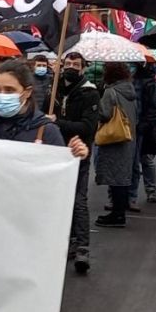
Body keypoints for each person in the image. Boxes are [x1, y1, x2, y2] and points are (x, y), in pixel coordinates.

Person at [0, 59, 91, 161]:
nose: (2, 95)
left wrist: (74, 156)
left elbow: (58, 173)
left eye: (9, 90)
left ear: (27, 92)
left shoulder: (46, 131)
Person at [51, 52, 100, 274]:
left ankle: (82, 246)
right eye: (68, 63)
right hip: (55, 152)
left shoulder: (89, 93)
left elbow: (88, 127)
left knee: (78, 199)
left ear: (82, 68)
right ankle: (66, 240)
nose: (71, 66)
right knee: (59, 200)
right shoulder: (55, 90)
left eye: (75, 64)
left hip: (78, 151)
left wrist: (58, 123)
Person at [94, 63, 139, 228]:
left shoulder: (110, 92)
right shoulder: (130, 91)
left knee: (115, 178)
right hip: (128, 137)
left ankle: (117, 214)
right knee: (122, 176)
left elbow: (104, 114)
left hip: (114, 138)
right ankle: (120, 211)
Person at [129, 63, 156, 206]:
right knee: (140, 161)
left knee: (143, 160)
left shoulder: (151, 84)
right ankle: (143, 192)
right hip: (137, 126)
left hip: (145, 127)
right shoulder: (131, 82)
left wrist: (149, 120)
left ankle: (144, 192)